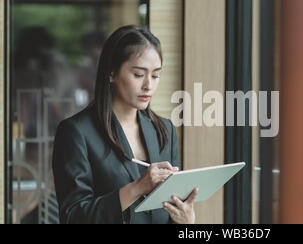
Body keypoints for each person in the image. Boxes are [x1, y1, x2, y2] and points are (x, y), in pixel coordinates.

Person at [52, 25, 198, 224]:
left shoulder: (164, 130)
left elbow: (168, 209)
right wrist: (137, 187)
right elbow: (73, 216)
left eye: (155, 75)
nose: (148, 85)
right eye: (139, 75)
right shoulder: (77, 132)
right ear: (111, 73)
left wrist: (185, 221)